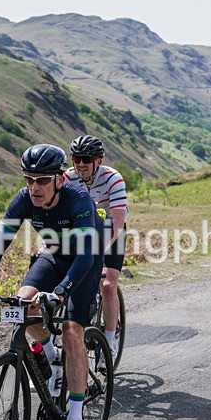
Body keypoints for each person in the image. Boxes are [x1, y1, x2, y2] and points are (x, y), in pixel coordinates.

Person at [0, 144, 104, 420]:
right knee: (21, 306)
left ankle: (74, 419)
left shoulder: (79, 199)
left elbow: (85, 258)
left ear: (60, 179)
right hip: (54, 255)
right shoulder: (23, 199)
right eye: (29, 179)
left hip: (84, 263)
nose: (35, 187)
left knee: (72, 331)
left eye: (43, 180)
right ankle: (51, 355)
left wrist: (60, 293)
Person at [65, 135, 128, 365]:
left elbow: (118, 223)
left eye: (86, 159)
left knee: (108, 284)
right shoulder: (67, 178)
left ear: (97, 161)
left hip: (110, 229)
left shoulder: (113, 179)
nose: (80, 164)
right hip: (82, 229)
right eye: (76, 159)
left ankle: (109, 343)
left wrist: (100, 257)